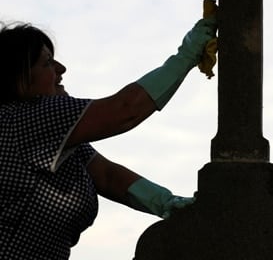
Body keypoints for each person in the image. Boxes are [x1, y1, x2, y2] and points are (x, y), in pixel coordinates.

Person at [0, 16, 217, 260]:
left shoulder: (58, 140)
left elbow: (107, 176)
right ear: (18, 79)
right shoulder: (24, 120)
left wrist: (166, 203)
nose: (61, 69)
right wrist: (186, 56)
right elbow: (124, 110)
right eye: (47, 63)